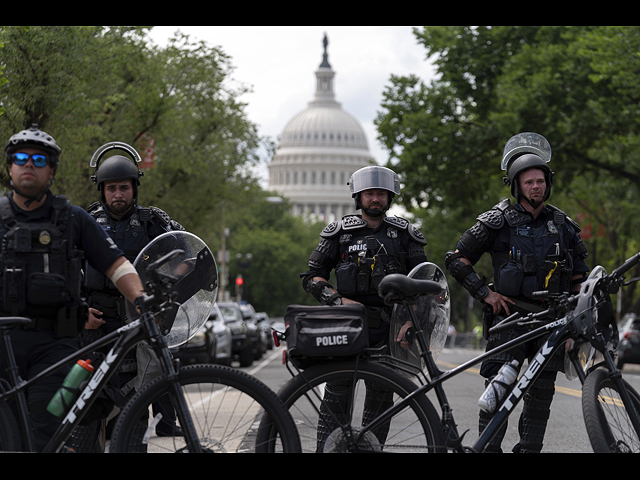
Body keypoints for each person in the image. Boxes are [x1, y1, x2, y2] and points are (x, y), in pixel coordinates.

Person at [0, 124, 144, 452]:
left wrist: (141, 298)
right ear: (10, 166)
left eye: (39, 160)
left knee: (45, 425)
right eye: (21, 158)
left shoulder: (74, 219)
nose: (29, 165)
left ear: (51, 170)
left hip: (57, 347)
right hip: (2, 341)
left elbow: (117, 264)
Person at [444, 132, 589, 453]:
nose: (536, 186)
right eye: (528, 182)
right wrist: (486, 294)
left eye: (540, 181)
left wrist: (574, 324)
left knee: (540, 398)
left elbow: (579, 277)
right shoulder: (496, 222)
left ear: (547, 184)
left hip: (552, 321)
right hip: (509, 320)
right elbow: (456, 260)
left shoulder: (563, 225)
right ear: (516, 186)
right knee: (497, 392)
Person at [301, 165, 429, 450]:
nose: (375, 199)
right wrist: (338, 301)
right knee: (336, 398)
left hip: (389, 330)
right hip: (347, 327)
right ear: (358, 197)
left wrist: (411, 320)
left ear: (389, 198)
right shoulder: (339, 235)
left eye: (381, 194)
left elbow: (423, 280)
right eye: (370, 194)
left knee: (380, 403)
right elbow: (312, 277)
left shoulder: (405, 234)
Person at [68, 144, 185, 451]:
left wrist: (161, 295)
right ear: (102, 190)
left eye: (123, 187)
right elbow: (65, 270)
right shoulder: (83, 223)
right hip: (93, 331)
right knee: (83, 406)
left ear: (134, 188)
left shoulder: (154, 223)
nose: (118, 194)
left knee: (136, 404)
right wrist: (80, 311)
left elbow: (187, 255)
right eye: (111, 188)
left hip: (137, 329)